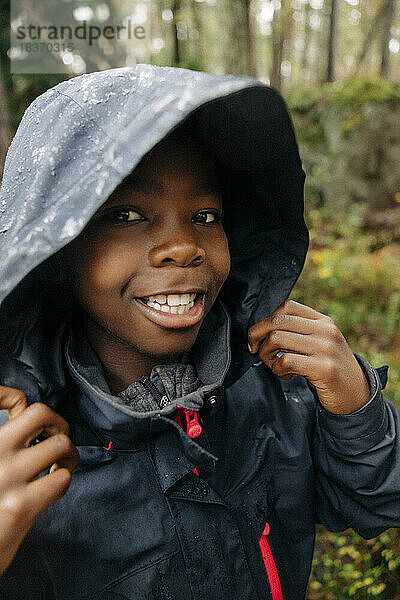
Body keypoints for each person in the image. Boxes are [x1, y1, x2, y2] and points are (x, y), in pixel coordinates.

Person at [0, 64, 398, 600]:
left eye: (206, 216)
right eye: (126, 214)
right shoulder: (17, 452)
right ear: (58, 246)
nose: (183, 246)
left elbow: (379, 502)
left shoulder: (271, 385)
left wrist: (356, 411)